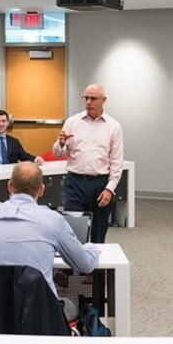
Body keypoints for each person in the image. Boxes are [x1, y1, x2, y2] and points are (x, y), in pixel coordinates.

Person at [0, 162, 99, 321]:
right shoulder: (53, 220)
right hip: (39, 313)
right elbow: (85, 265)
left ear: (10, 186)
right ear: (42, 189)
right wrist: (91, 248)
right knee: (76, 306)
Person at [52, 83, 124, 243]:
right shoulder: (72, 122)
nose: (88, 102)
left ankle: (95, 268)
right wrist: (61, 143)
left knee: (98, 234)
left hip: (100, 184)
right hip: (75, 182)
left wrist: (109, 189)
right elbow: (57, 153)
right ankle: (74, 267)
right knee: (74, 232)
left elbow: (116, 163)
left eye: (93, 99)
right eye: (86, 98)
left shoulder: (113, 127)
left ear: (103, 100)